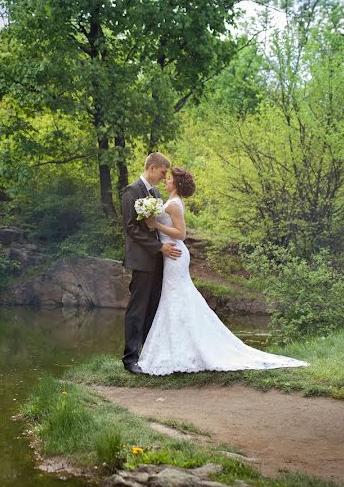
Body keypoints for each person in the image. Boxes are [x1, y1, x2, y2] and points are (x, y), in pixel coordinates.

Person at [136, 166, 308, 375]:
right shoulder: (172, 202)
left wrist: (155, 225)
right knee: (175, 298)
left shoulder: (174, 204)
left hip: (175, 254)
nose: (167, 180)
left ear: (177, 183)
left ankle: (186, 349)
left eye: (170, 178)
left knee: (177, 297)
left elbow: (181, 234)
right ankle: (178, 349)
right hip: (170, 254)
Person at [120, 152, 182, 374]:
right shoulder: (132, 191)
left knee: (152, 308)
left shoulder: (154, 192)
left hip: (158, 260)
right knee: (137, 308)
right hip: (142, 259)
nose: (164, 177)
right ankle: (130, 359)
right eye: (163, 172)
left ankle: (148, 354)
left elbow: (154, 224)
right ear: (153, 168)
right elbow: (131, 228)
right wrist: (158, 247)